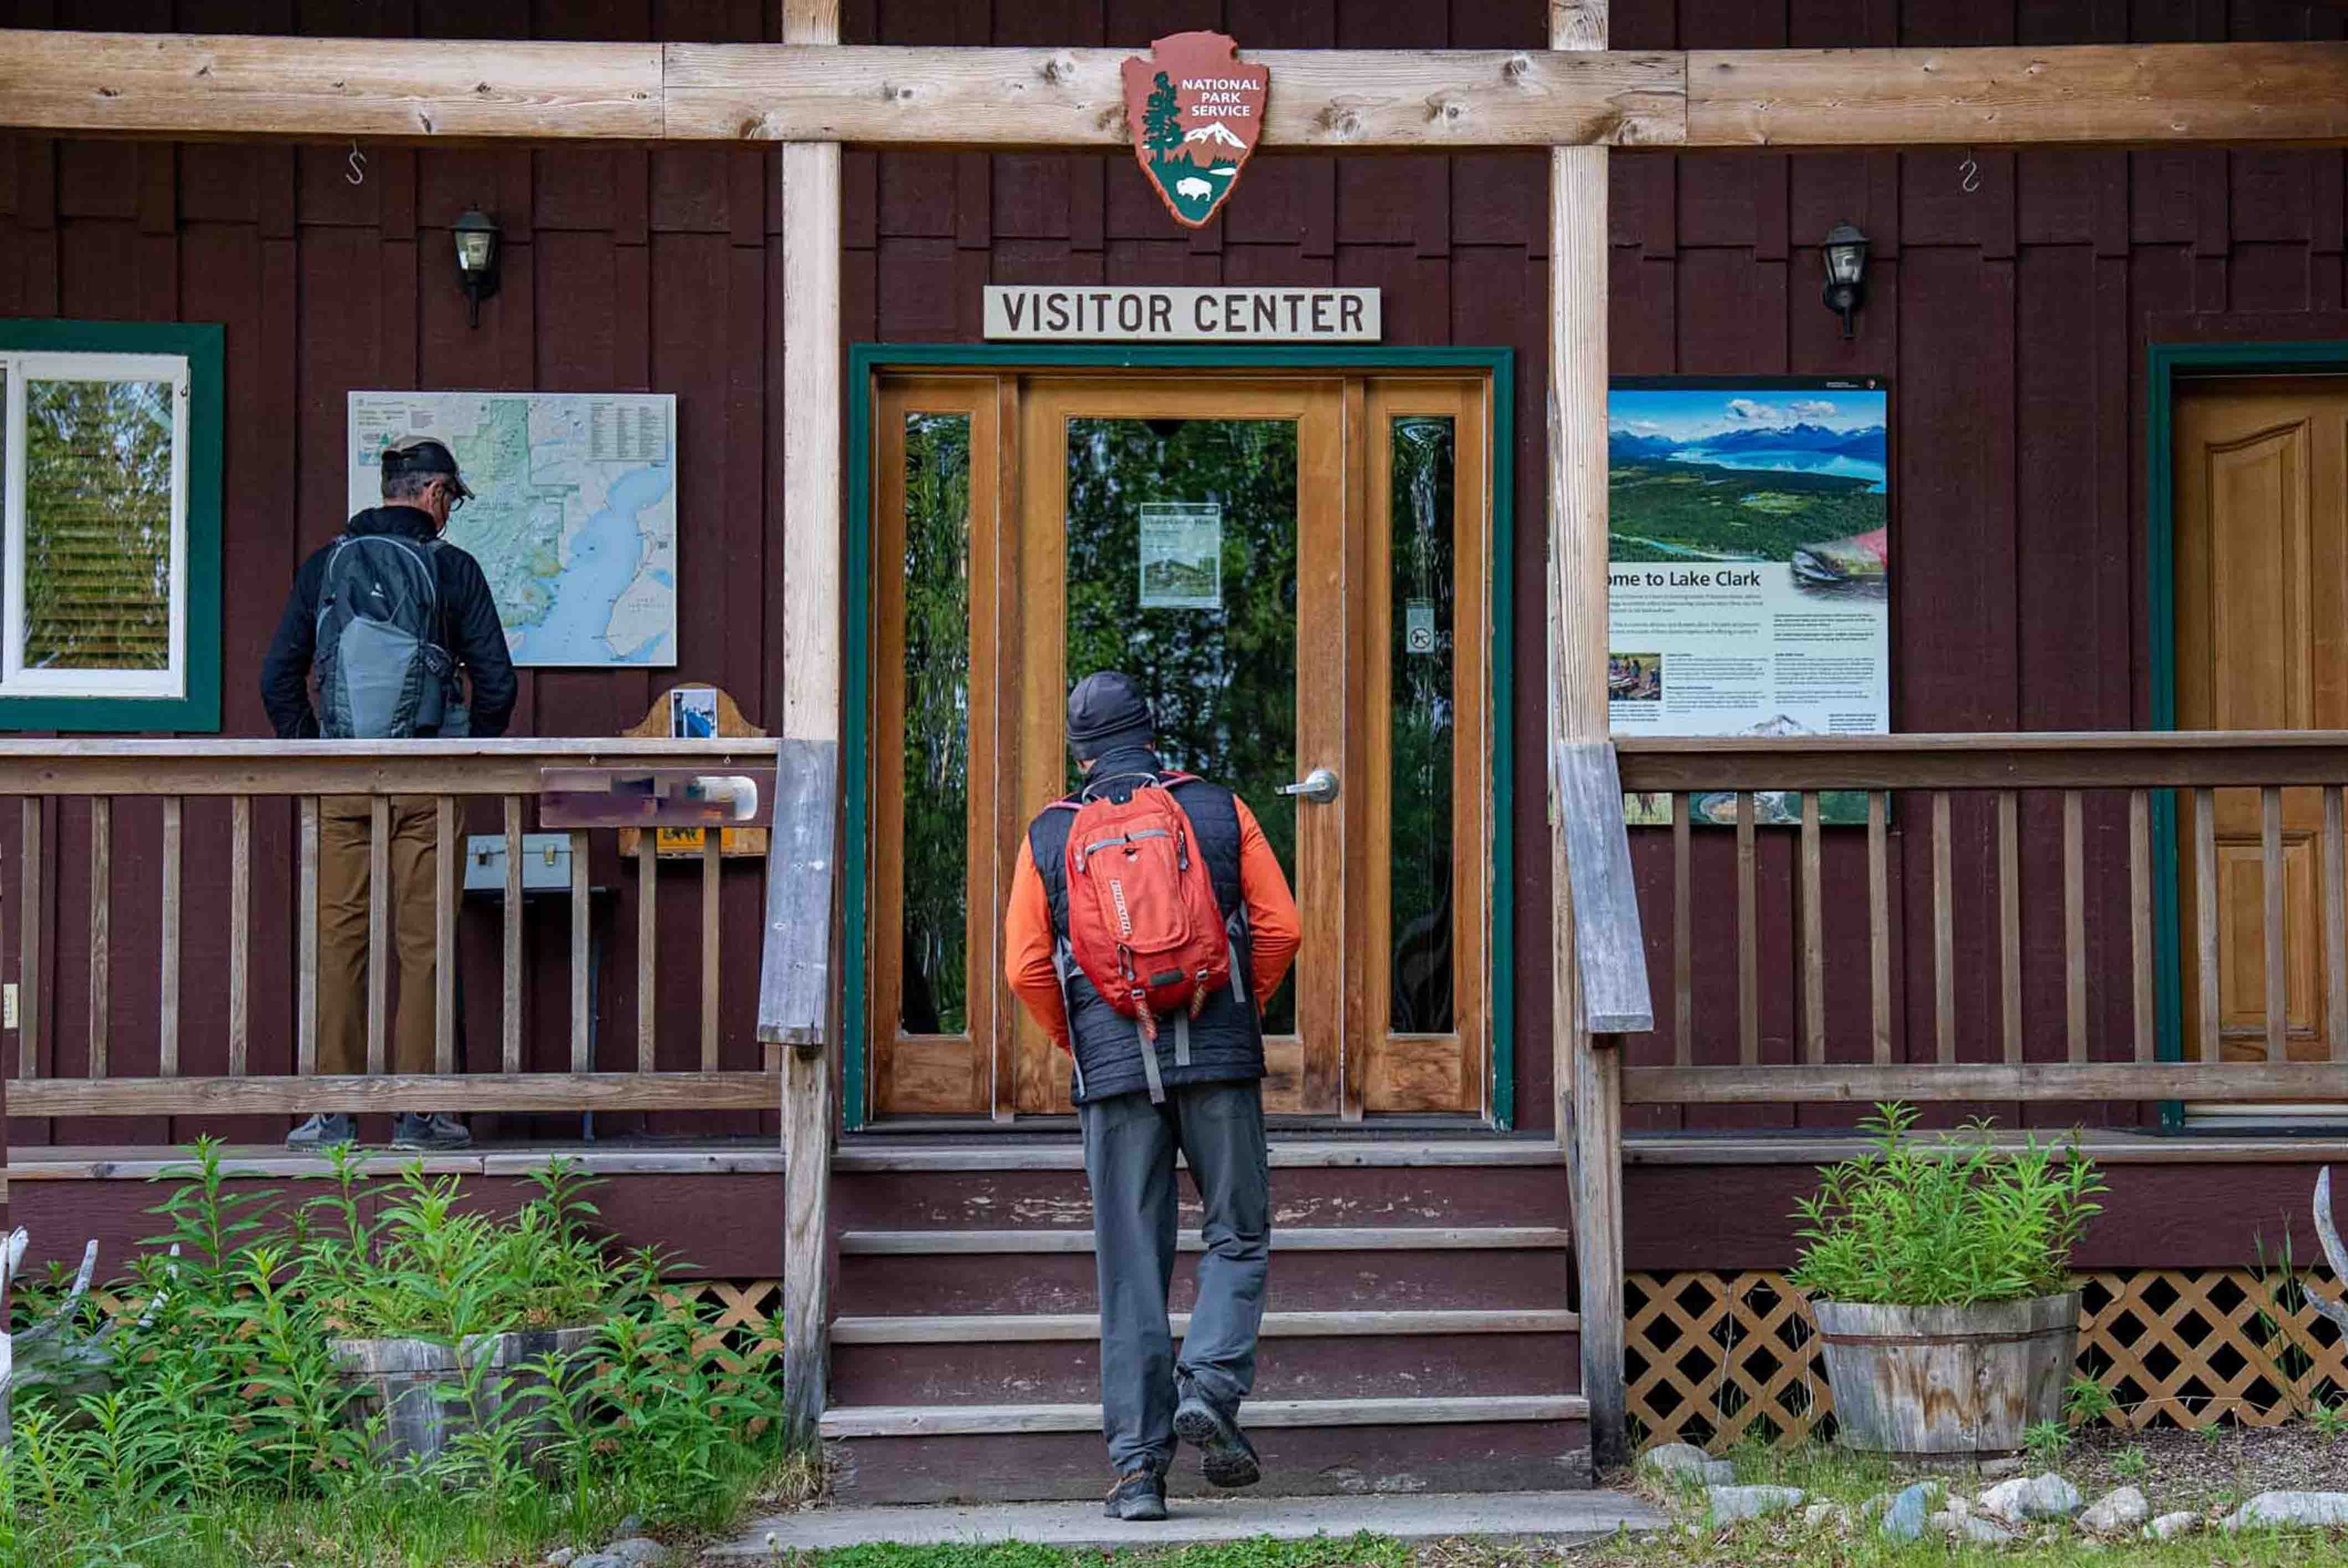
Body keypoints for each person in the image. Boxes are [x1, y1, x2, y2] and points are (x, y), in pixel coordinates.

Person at [1003, 671, 1301, 1521]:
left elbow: (1027, 967)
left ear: (1082, 749)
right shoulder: (1218, 810)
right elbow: (1280, 927)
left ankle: (1138, 1475)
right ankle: (1208, 1382)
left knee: (1131, 1266)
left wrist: (1086, 1044)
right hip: (1218, 1057)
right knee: (1237, 1231)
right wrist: (1240, 1007)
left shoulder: (1051, 834)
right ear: (1152, 733)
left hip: (1113, 1073)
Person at [260, 435, 518, 1152]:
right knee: (424, 943)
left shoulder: (326, 566)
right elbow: (498, 682)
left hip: (345, 779)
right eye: (451, 500)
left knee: (339, 940)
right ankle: (420, 1112)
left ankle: (331, 1114)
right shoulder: (453, 568)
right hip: (430, 783)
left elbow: (278, 677)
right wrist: (468, 756)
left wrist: (320, 753)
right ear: (433, 494)